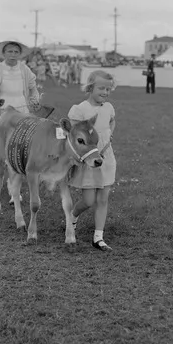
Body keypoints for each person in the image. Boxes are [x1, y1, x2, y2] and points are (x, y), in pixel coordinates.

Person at [68, 70, 117, 252]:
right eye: (101, 88)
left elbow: (112, 121)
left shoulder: (109, 107)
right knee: (88, 201)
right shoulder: (80, 110)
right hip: (89, 158)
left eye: (108, 89)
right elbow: (73, 135)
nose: (105, 92)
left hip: (107, 156)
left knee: (103, 198)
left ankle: (98, 237)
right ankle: (72, 216)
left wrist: (109, 134)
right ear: (90, 87)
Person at [0, 40, 41, 114]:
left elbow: (33, 88)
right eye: (10, 51)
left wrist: (35, 99)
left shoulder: (24, 69)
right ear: (4, 53)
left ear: (19, 54)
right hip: (3, 107)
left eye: (16, 52)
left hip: (22, 106)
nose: (13, 54)